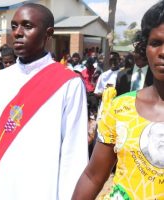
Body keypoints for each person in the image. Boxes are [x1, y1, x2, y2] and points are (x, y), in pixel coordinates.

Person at [0, 3, 88, 200]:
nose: (18, 33)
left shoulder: (68, 83)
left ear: (48, 33)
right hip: (3, 189)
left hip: (44, 189)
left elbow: (74, 154)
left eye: (27, 26)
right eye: (14, 26)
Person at [72, 1, 164, 199]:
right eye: (156, 43)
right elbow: (93, 177)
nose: (162, 52)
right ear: (144, 47)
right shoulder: (121, 108)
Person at [115, 31, 153, 96]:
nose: (139, 55)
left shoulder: (156, 77)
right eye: (137, 51)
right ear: (133, 53)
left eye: (143, 51)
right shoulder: (122, 75)